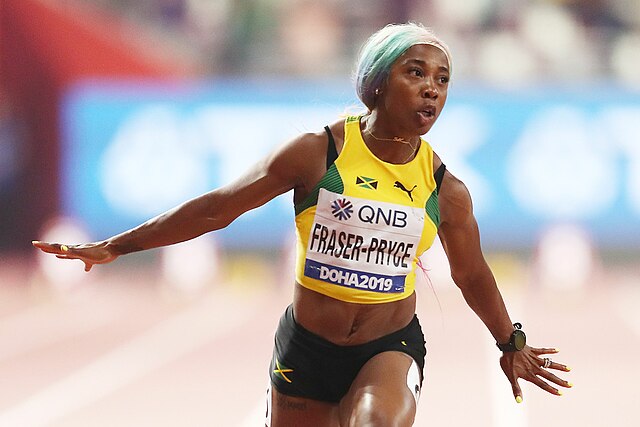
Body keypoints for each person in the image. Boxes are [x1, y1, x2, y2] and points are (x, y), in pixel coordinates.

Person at [33, 22, 571, 427]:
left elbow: (471, 273)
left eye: (443, 79)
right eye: (416, 73)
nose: (433, 88)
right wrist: (115, 247)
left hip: (388, 346)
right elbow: (217, 208)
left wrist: (510, 342)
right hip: (307, 348)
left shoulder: (446, 190)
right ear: (378, 83)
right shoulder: (319, 154)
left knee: (374, 422)